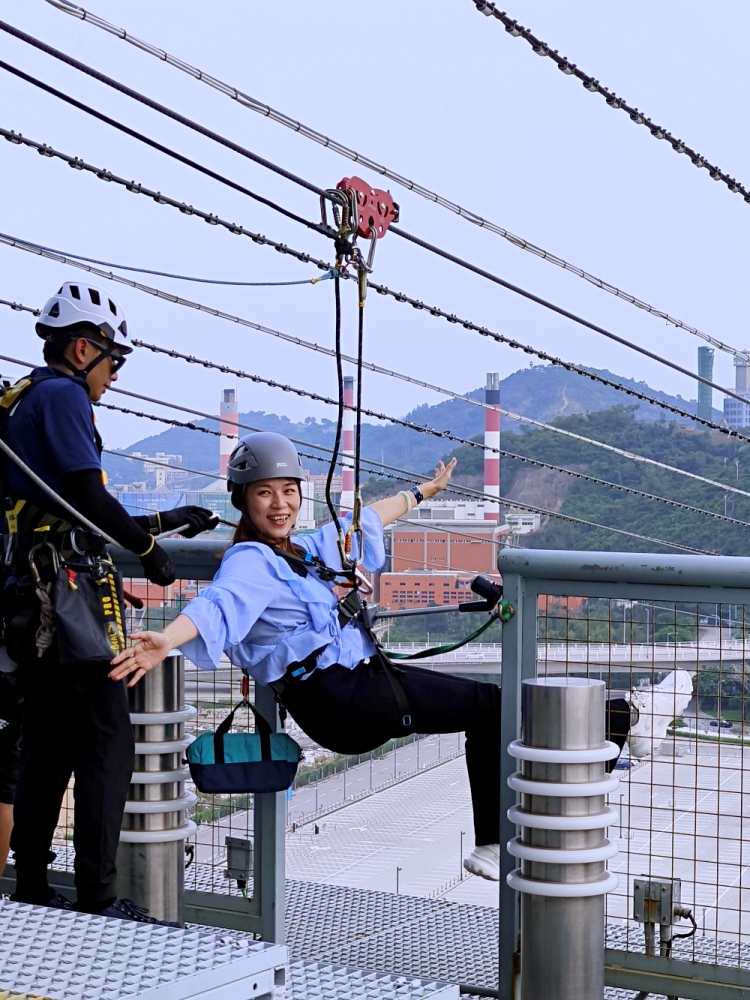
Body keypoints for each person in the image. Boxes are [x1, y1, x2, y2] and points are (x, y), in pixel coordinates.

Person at [110, 432, 694, 881]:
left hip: (354, 685)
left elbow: (365, 521)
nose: (281, 503)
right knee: (490, 706)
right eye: (265, 493)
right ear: (244, 500)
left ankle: (622, 729)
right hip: (342, 698)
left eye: (289, 491)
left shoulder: (301, 548)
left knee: (487, 707)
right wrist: (169, 638)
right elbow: (219, 605)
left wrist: (420, 495)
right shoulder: (251, 562)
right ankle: (623, 724)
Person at [0, 281, 218, 918]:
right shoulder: (66, 396)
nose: (115, 375)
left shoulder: (26, 401)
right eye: (112, 360)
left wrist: (169, 520)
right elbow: (90, 501)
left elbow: (72, 512)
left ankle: (35, 887)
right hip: (62, 598)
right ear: (80, 348)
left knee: (47, 742)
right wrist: (150, 555)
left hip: (26, 592)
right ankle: (97, 896)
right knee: (105, 741)